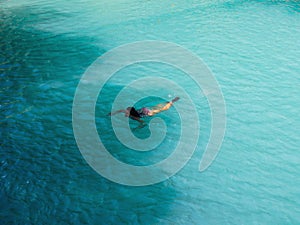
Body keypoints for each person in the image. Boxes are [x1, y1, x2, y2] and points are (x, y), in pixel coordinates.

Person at [108, 97, 180, 123]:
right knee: (156, 107)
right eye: (126, 112)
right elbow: (120, 110)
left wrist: (138, 128)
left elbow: (142, 122)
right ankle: (168, 102)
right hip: (144, 109)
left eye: (126, 113)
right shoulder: (130, 113)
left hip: (148, 113)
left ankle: (171, 102)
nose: (125, 114)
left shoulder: (134, 117)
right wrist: (112, 113)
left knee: (161, 109)